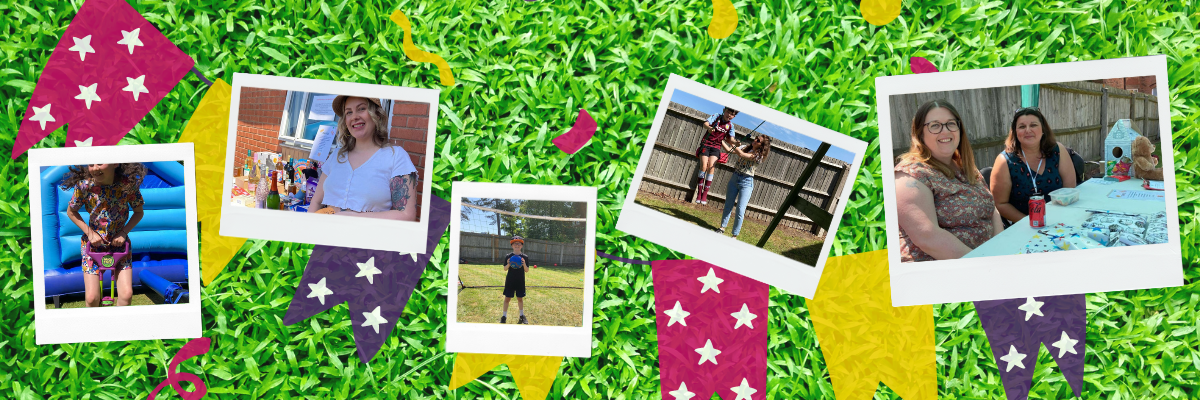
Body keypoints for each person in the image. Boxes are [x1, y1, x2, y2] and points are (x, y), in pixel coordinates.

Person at [895, 100, 1004, 262]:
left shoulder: (966, 167)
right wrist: (983, 264)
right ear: (920, 133)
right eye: (935, 125)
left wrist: (1001, 248)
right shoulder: (910, 175)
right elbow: (929, 238)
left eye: (951, 124)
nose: (944, 131)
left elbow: (991, 208)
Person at [307, 95, 419, 221]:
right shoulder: (337, 156)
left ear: (376, 114)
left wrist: (355, 217)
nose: (354, 117)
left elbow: (406, 216)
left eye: (361, 109)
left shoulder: (395, 156)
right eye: (349, 112)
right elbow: (316, 202)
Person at [62, 163, 146, 307]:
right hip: (92, 246)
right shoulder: (84, 186)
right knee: (92, 298)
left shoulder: (127, 185)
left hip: (120, 246)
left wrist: (123, 233)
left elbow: (139, 212)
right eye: (91, 164)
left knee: (126, 295)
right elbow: (71, 212)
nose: (95, 168)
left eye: (100, 163)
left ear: (115, 163)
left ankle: (119, 327)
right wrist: (90, 233)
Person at [990, 108, 1077, 224]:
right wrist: (1030, 222)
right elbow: (1000, 204)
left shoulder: (1057, 150)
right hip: (1024, 225)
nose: (1028, 130)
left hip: (1060, 220)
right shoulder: (1004, 161)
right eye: (1021, 127)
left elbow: (1069, 189)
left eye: (1033, 125)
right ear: (1015, 132)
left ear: (1043, 129)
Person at [714, 134, 773, 239]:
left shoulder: (759, 156)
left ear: (762, 145)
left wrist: (734, 144)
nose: (755, 140)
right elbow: (728, 150)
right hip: (735, 178)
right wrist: (721, 139)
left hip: (746, 182)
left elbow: (741, 154)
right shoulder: (745, 147)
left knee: (740, 210)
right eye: (755, 138)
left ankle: (734, 235)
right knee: (728, 204)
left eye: (758, 140)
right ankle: (722, 228)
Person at [693, 107, 740, 205]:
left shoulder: (730, 126)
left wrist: (736, 143)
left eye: (732, 114)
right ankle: (699, 193)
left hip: (716, 147)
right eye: (728, 112)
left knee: (711, 167)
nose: (729, 115)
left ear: (734, 116)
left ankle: (705, 194)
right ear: (724, 110)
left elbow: (731, 139)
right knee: (704, 166)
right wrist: (709, 128)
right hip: (706, 143)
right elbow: (705, 123)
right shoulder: (716, 116)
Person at [500, 236, 530, 325]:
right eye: (515, 243)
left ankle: (521, 315)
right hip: (510, 281)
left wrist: (524, 264)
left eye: (519, 243)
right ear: (512, 245)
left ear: (521, 245)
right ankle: (504, 316)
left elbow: (527, 270)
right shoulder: (508, 256)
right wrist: (509, 263)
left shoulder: (525, 257)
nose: (517, 245)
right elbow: (505, 269)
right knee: (507, 298)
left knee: (520, 298)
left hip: (520, 281)